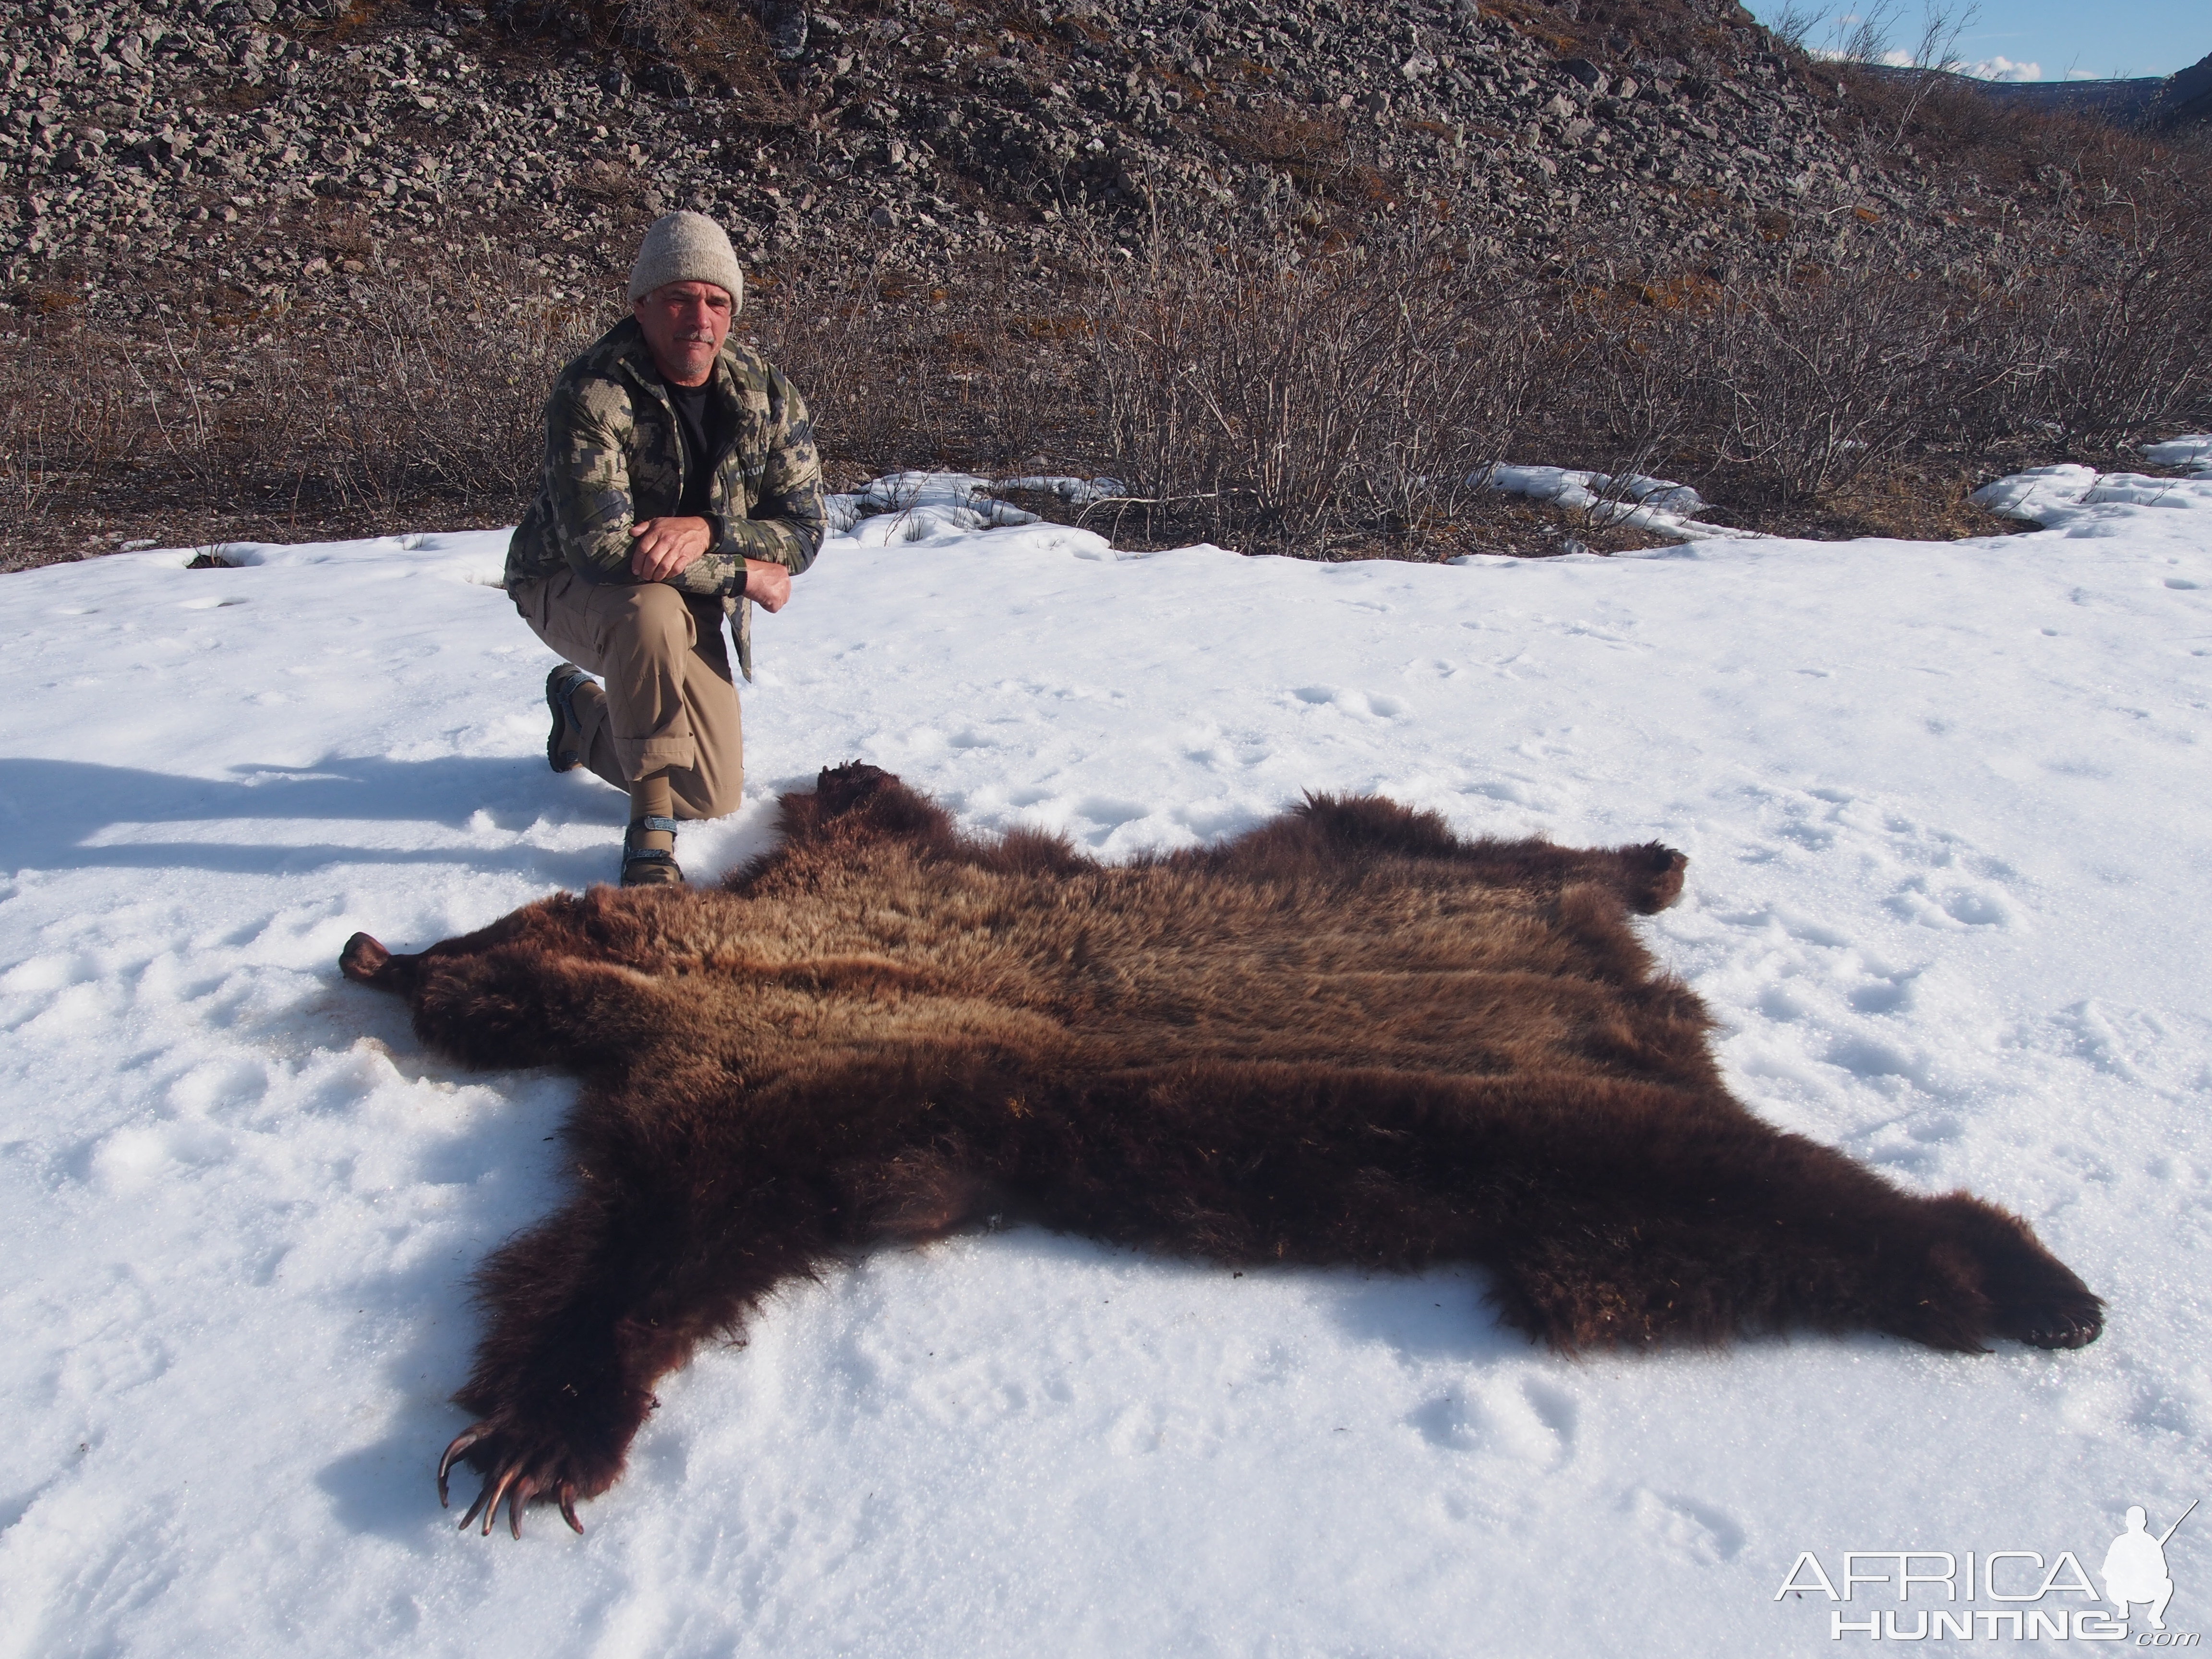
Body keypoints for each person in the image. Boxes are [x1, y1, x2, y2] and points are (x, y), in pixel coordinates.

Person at [504, 212, 825, 886]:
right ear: (642, 304)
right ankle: (651, 829)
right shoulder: (594, 391)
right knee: (647, 607)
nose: (698, 319)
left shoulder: (767, 395)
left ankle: (583, 717)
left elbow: (803, 529)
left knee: (712, 795)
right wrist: (743, 573)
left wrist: (709, 532)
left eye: (715, 301)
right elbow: (600, 551)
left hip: (690, 597)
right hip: (566, 582)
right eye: (679, 298)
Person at [2101, 1505, 2176, 1631]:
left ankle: (2155, 1616)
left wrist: (2147, 1572)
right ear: (2127, 1523)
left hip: (2145, 1589)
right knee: (2111, 1584)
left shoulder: (2151, 1543)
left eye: (2138, 1521)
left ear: (2144, 1523)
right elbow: (2106, 1570)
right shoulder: (2120, 1541)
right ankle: (2123, 1606)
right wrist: (2122, 1573)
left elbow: (2163, 1571)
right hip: (2123, 1590)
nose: (2135, 1524)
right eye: (2133, 1521)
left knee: (2167, 1584)